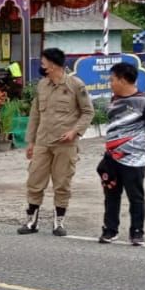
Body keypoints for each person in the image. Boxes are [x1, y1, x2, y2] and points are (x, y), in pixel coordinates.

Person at [19, 48, 94, 236]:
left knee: (62, 183)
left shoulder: (75, 85)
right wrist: (31, 142)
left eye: (44, 62)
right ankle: (31, 222)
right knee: (34, 180)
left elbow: (88, 112)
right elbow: (35, 114)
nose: (41, 65)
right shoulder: (42, 85)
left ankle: (58, 222)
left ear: (52, 65)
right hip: (43, 142)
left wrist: (74, 131)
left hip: (65, 144)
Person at [97, 62, 145, 246]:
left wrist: (144, 150)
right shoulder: (114, 100)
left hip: (134, 159)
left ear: (123, 79)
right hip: (112, 157)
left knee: (135, 197)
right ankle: (110, 230)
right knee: (111, 194)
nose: (110, 83)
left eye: (112, 80)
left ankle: (136, 232)